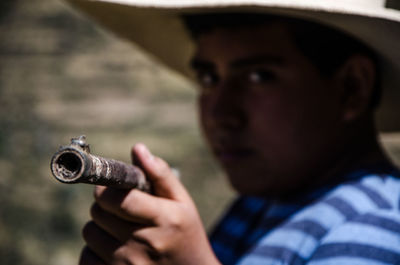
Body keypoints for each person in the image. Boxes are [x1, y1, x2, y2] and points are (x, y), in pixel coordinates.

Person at [65, 0, 400, 264]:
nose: (221, 113)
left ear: (352, 87)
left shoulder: (381, 226)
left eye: (259, 77)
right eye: (209, 78)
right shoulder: (254, 207)